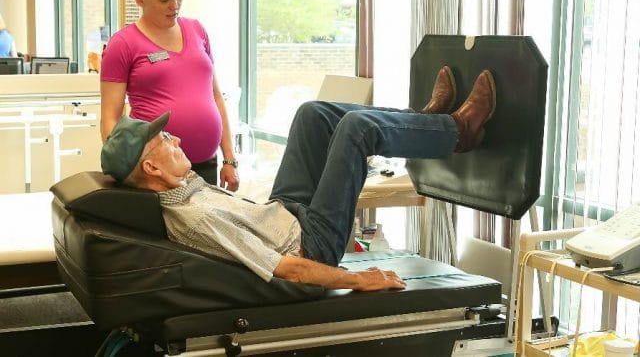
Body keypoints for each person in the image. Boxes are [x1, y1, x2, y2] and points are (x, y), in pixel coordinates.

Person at [100, 67, 496, 291]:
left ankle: (424, 122)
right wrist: (358, 280)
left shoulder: (179, 187)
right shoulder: (196, 219)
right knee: (356, 128)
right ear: (151, 169)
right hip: (311, 243)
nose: (175, 139)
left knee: (312, 114)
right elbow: (288, 268)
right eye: (164, 141)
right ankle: (458, 132)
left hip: (286, 212)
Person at [100, 0, 238, 190]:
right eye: (165, 0)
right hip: (157, 175)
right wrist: (128, 171)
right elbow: (110, 118)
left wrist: (229, 159)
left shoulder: (197, 30)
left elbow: (216, 97)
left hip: (207, 164)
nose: (175, 6)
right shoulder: (123, 44)